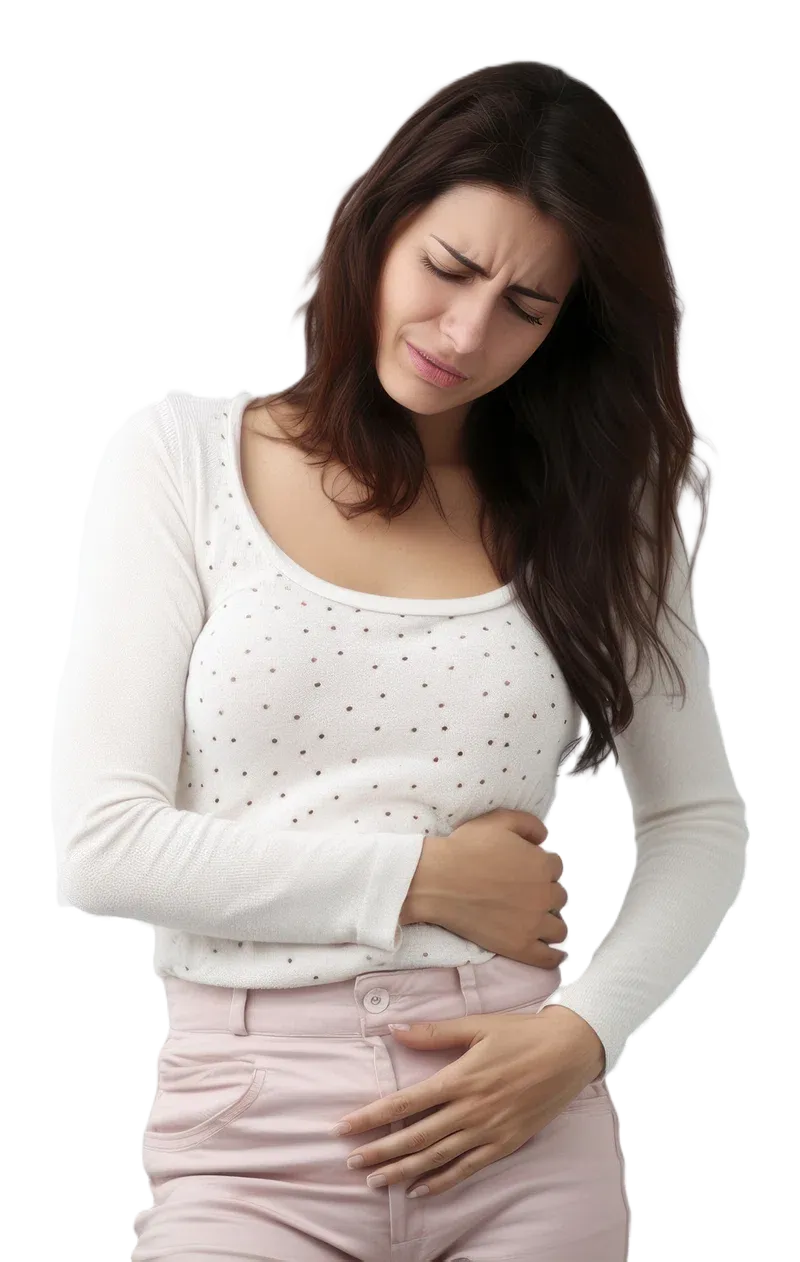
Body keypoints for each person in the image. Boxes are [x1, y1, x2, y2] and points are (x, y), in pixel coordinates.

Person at [48, 58, 750, 1262]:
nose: (466, 333)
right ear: (377, 228)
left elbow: (696, 819)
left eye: (525, 307)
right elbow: (103, 842)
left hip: (517, 1108)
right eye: (450, 269)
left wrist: (583, 1031)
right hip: (248, 1128)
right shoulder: (180, 458)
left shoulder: (600, 511)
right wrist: (424, 879)